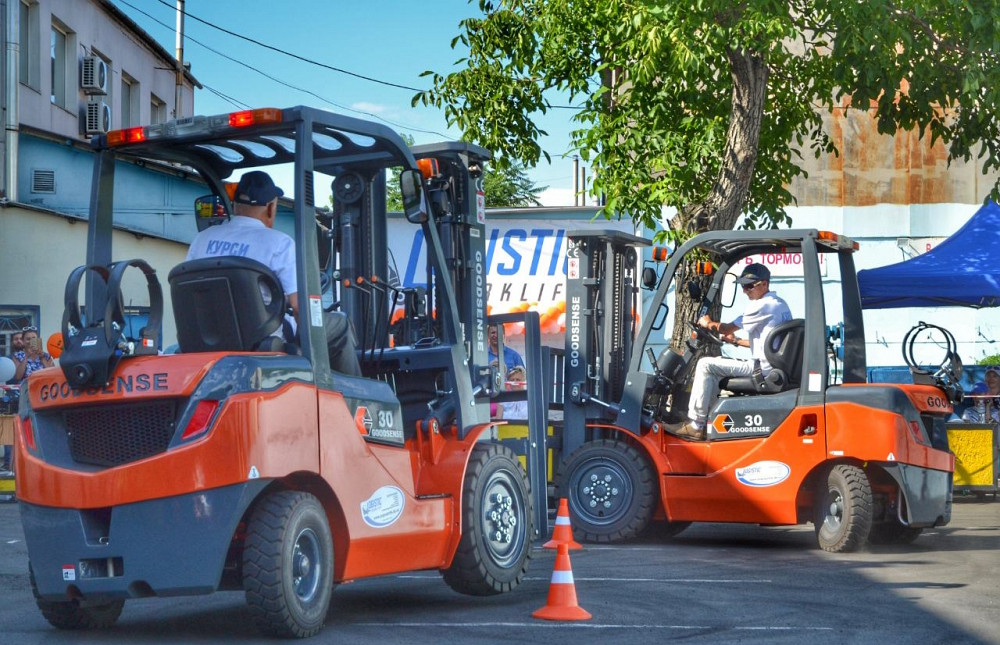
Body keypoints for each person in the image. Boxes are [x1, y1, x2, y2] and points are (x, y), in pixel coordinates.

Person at [666, 263, 792, 441]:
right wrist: (736, 341)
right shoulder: (780, 304)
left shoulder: (762, 305)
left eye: (749, 286)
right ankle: (710, 423)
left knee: (705, 364)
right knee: (716, 366)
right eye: (742, 286)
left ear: (764, 284)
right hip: (771, 365)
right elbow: (769, 342)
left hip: (761, 370)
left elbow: (725, 328)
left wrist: (708, 322)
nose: (745, 291)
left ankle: (696, 425)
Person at [186, 171, 298, 329]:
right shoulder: (280, 243)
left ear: (234, 204)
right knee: (338, 325)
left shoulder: (202, 239)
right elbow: (298, 305)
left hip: (208, 333)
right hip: (261, 336)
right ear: (271, 208)